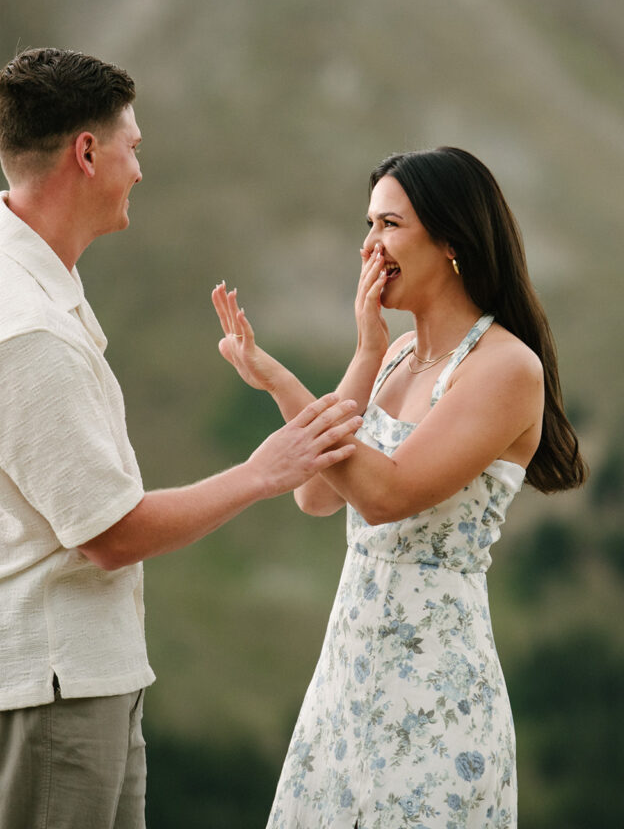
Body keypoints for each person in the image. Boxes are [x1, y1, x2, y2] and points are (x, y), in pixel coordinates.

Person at [0, 46, 364, 829]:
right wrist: (264, 471)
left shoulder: (34, 289)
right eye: (134, 146)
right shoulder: (26, 327)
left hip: (77, 676)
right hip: (55, 689)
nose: (141, 167)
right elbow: (108, 533)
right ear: (86, 153)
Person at [212, 146, 587, 829]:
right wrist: (364, 353)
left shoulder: (506, 367)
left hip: (434, 692)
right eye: (368, 225)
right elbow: (319, 494)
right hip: (348, 680)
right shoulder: (396, 357)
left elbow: (386, 496)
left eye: (387, 225)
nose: (369, 246)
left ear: (450, 241)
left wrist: (277, 380)